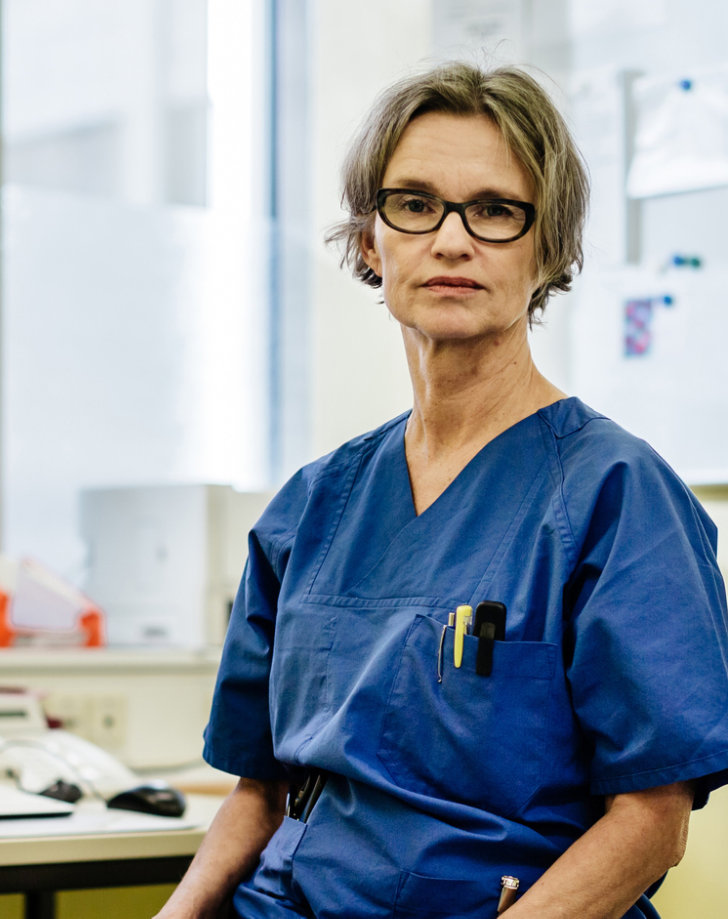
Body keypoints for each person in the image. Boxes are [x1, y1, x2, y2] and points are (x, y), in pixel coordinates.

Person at [157, 62, 728, 919]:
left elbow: (652, 819)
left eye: (495, 210)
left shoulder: (618, 496)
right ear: (368, 240)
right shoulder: (314, 505)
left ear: (551, 248)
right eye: (415, 205)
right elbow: (259, 789)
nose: (452, 241)